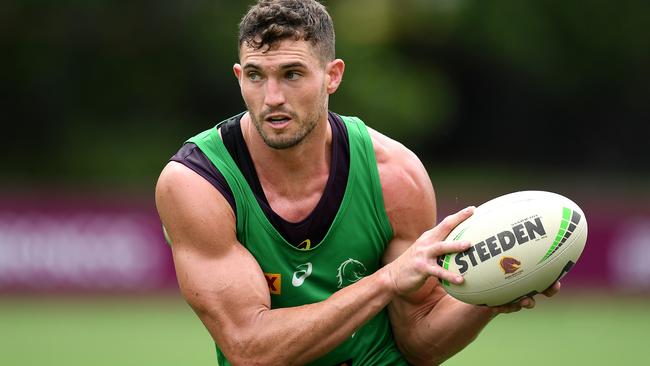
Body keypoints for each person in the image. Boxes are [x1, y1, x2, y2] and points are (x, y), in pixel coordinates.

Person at [155, 0, 560, 364]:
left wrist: (493, 294)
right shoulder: (198, 183)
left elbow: (419, 338)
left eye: (292, 74)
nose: (272, 96)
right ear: (239, 76)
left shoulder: (394, 175)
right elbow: (251, 349)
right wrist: (387, 281)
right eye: (257, 77)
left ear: (333, 76)